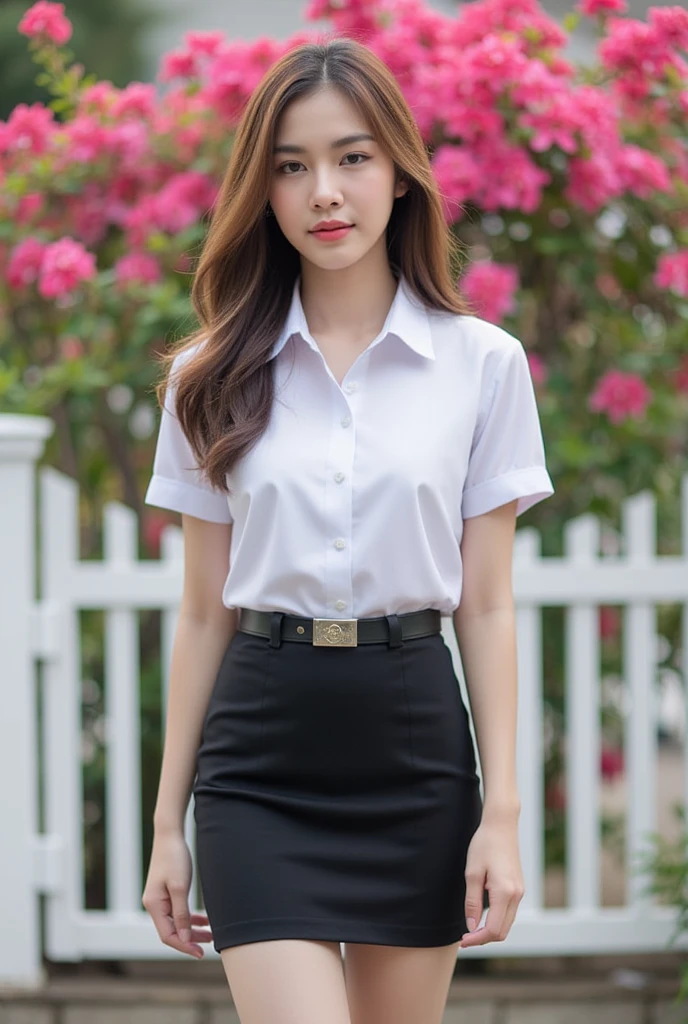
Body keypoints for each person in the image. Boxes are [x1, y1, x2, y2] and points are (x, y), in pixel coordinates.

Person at [141, 34, 554, 1024]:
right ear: (265, 191)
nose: (324, 191)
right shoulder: (208, 375)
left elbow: (487, 605)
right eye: (291, 167)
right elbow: (203, 613)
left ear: (400, 177)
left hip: (411, 748)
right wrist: (166, 823)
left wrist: (500, 816)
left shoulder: (482, 365)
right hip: (258, 759)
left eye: (352, 157)